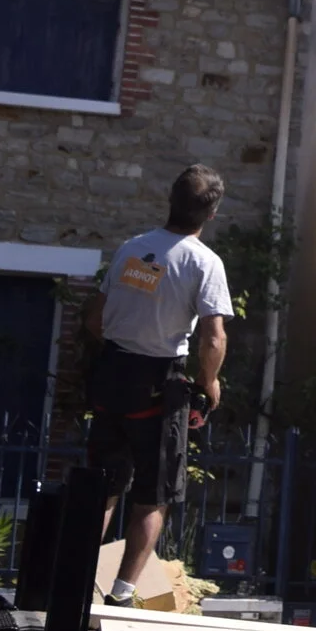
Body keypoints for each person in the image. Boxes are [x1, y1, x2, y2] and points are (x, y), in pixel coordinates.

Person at [83, 164, 233, 604]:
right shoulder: (204, 262)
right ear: (212, 213)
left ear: (171, 199)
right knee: (154, 495)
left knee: (104, 487)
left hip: (112, 375)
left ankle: (73, 578)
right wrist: (211, 382)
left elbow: (95, 317)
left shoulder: (132, 249)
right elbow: (213, 336)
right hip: (157, 385)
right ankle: (122, 593)